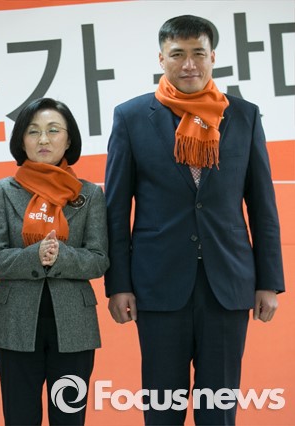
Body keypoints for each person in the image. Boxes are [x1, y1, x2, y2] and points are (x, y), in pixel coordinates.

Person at [104, 15, 285, 425]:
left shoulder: (244, 116)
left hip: (228, 283)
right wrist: (119, 284)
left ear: (212, 57)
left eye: (198, 53)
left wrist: (268, 281)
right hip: (157, 284)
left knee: (219, 409)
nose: (189, 64)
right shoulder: (132, 117)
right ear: (161, 59)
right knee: (162, 407)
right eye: (178, 54)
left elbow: (262, 206)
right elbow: (115, 210)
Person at [0, 98, 109, 425]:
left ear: (68, 140)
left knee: (69, 417)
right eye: (33, 131)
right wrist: (33, 256)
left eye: (53, 131)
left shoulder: (89, 194)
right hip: (15, 323)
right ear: (21, 140)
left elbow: (98, 259)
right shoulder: (2, 191)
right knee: (20, 417)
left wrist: (61, 256)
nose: (43, 139)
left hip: (74, 325)